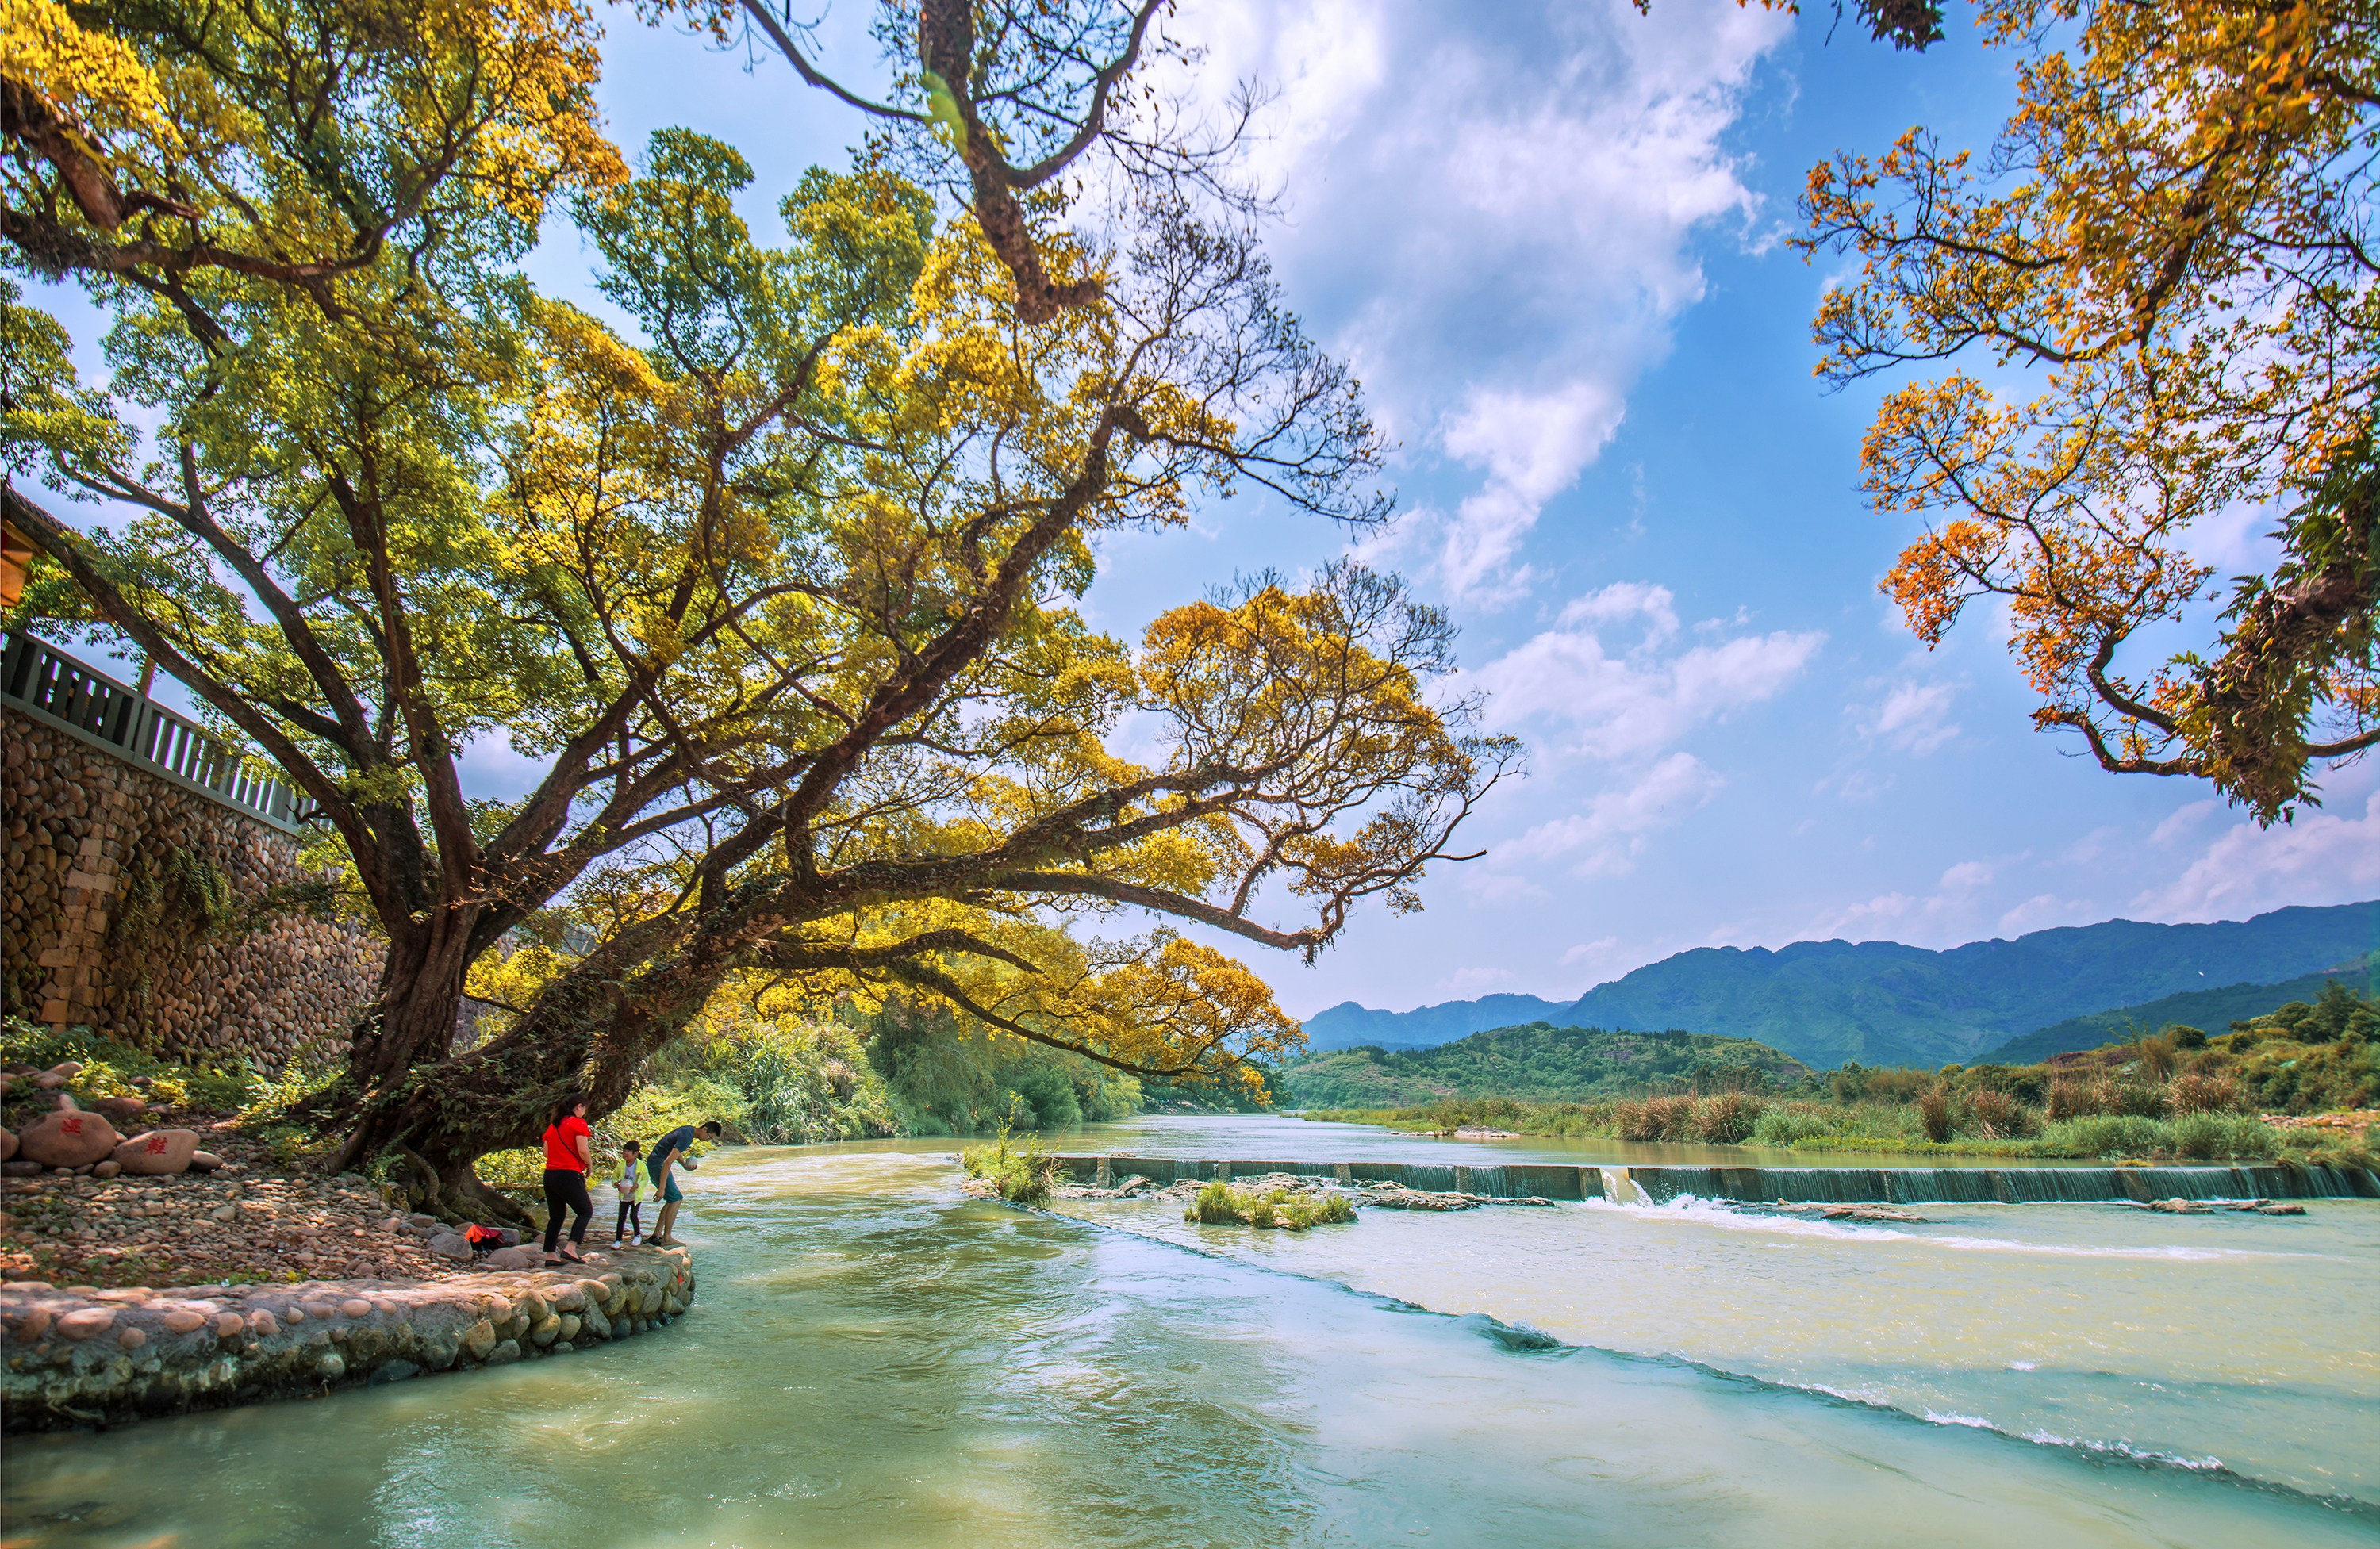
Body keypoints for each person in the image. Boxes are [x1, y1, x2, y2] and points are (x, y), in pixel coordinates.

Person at [643, 1119, 723, 1247]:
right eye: (709, 1137)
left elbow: (675, 1151)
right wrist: (661, 1189)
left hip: (655, 1162)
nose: (708, 1140)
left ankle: (658, 1234)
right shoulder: (687, 1136)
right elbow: (667, 1162)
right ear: (704, 1129)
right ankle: (667, 1238)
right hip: (659, 1164)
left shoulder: (688, 1130)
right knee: (676, 1199)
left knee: (672, 1199)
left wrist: (684, 1165)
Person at [541, 1092, 595, 1265]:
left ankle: (550, 1255)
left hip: (550, 1175)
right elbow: (582, 1149)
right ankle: (570, 1249)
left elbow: (546, 1152)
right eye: (584, 1108)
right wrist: (589, 1164)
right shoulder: (578, 1124)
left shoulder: (553, 1126)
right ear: (579, 1107)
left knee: (556, 1216)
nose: (584, 1112)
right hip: (569, 1174)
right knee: (585, 1211)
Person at [611, 1139, 645, 1247]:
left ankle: (637, 1236)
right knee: (621, 1217)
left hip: (635, 1196)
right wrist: (616, 1183)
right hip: (624, 1195)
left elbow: (645, 1179)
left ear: (635, 1154)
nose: (625, 1153)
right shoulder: (621, 1165)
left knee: (633, 1215)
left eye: (628, 1151)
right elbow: (615, 1176)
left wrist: (637, 1186)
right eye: (624, 1150)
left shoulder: (641, 1165)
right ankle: (618, 1240)